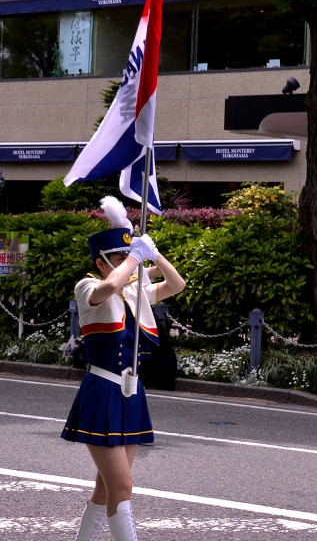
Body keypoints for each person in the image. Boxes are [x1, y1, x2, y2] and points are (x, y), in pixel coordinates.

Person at [61, 197, 186, 541]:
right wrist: (135, 256)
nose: (125, 264)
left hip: (131, 393)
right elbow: (112, 286)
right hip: (102, 390)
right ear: (100, 263)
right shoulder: (89, 286)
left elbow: (177, 284)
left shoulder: (135, 292)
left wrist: (153, 255)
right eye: (116, 258)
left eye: (126, 258)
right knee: (123, 485)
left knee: (106, 487)